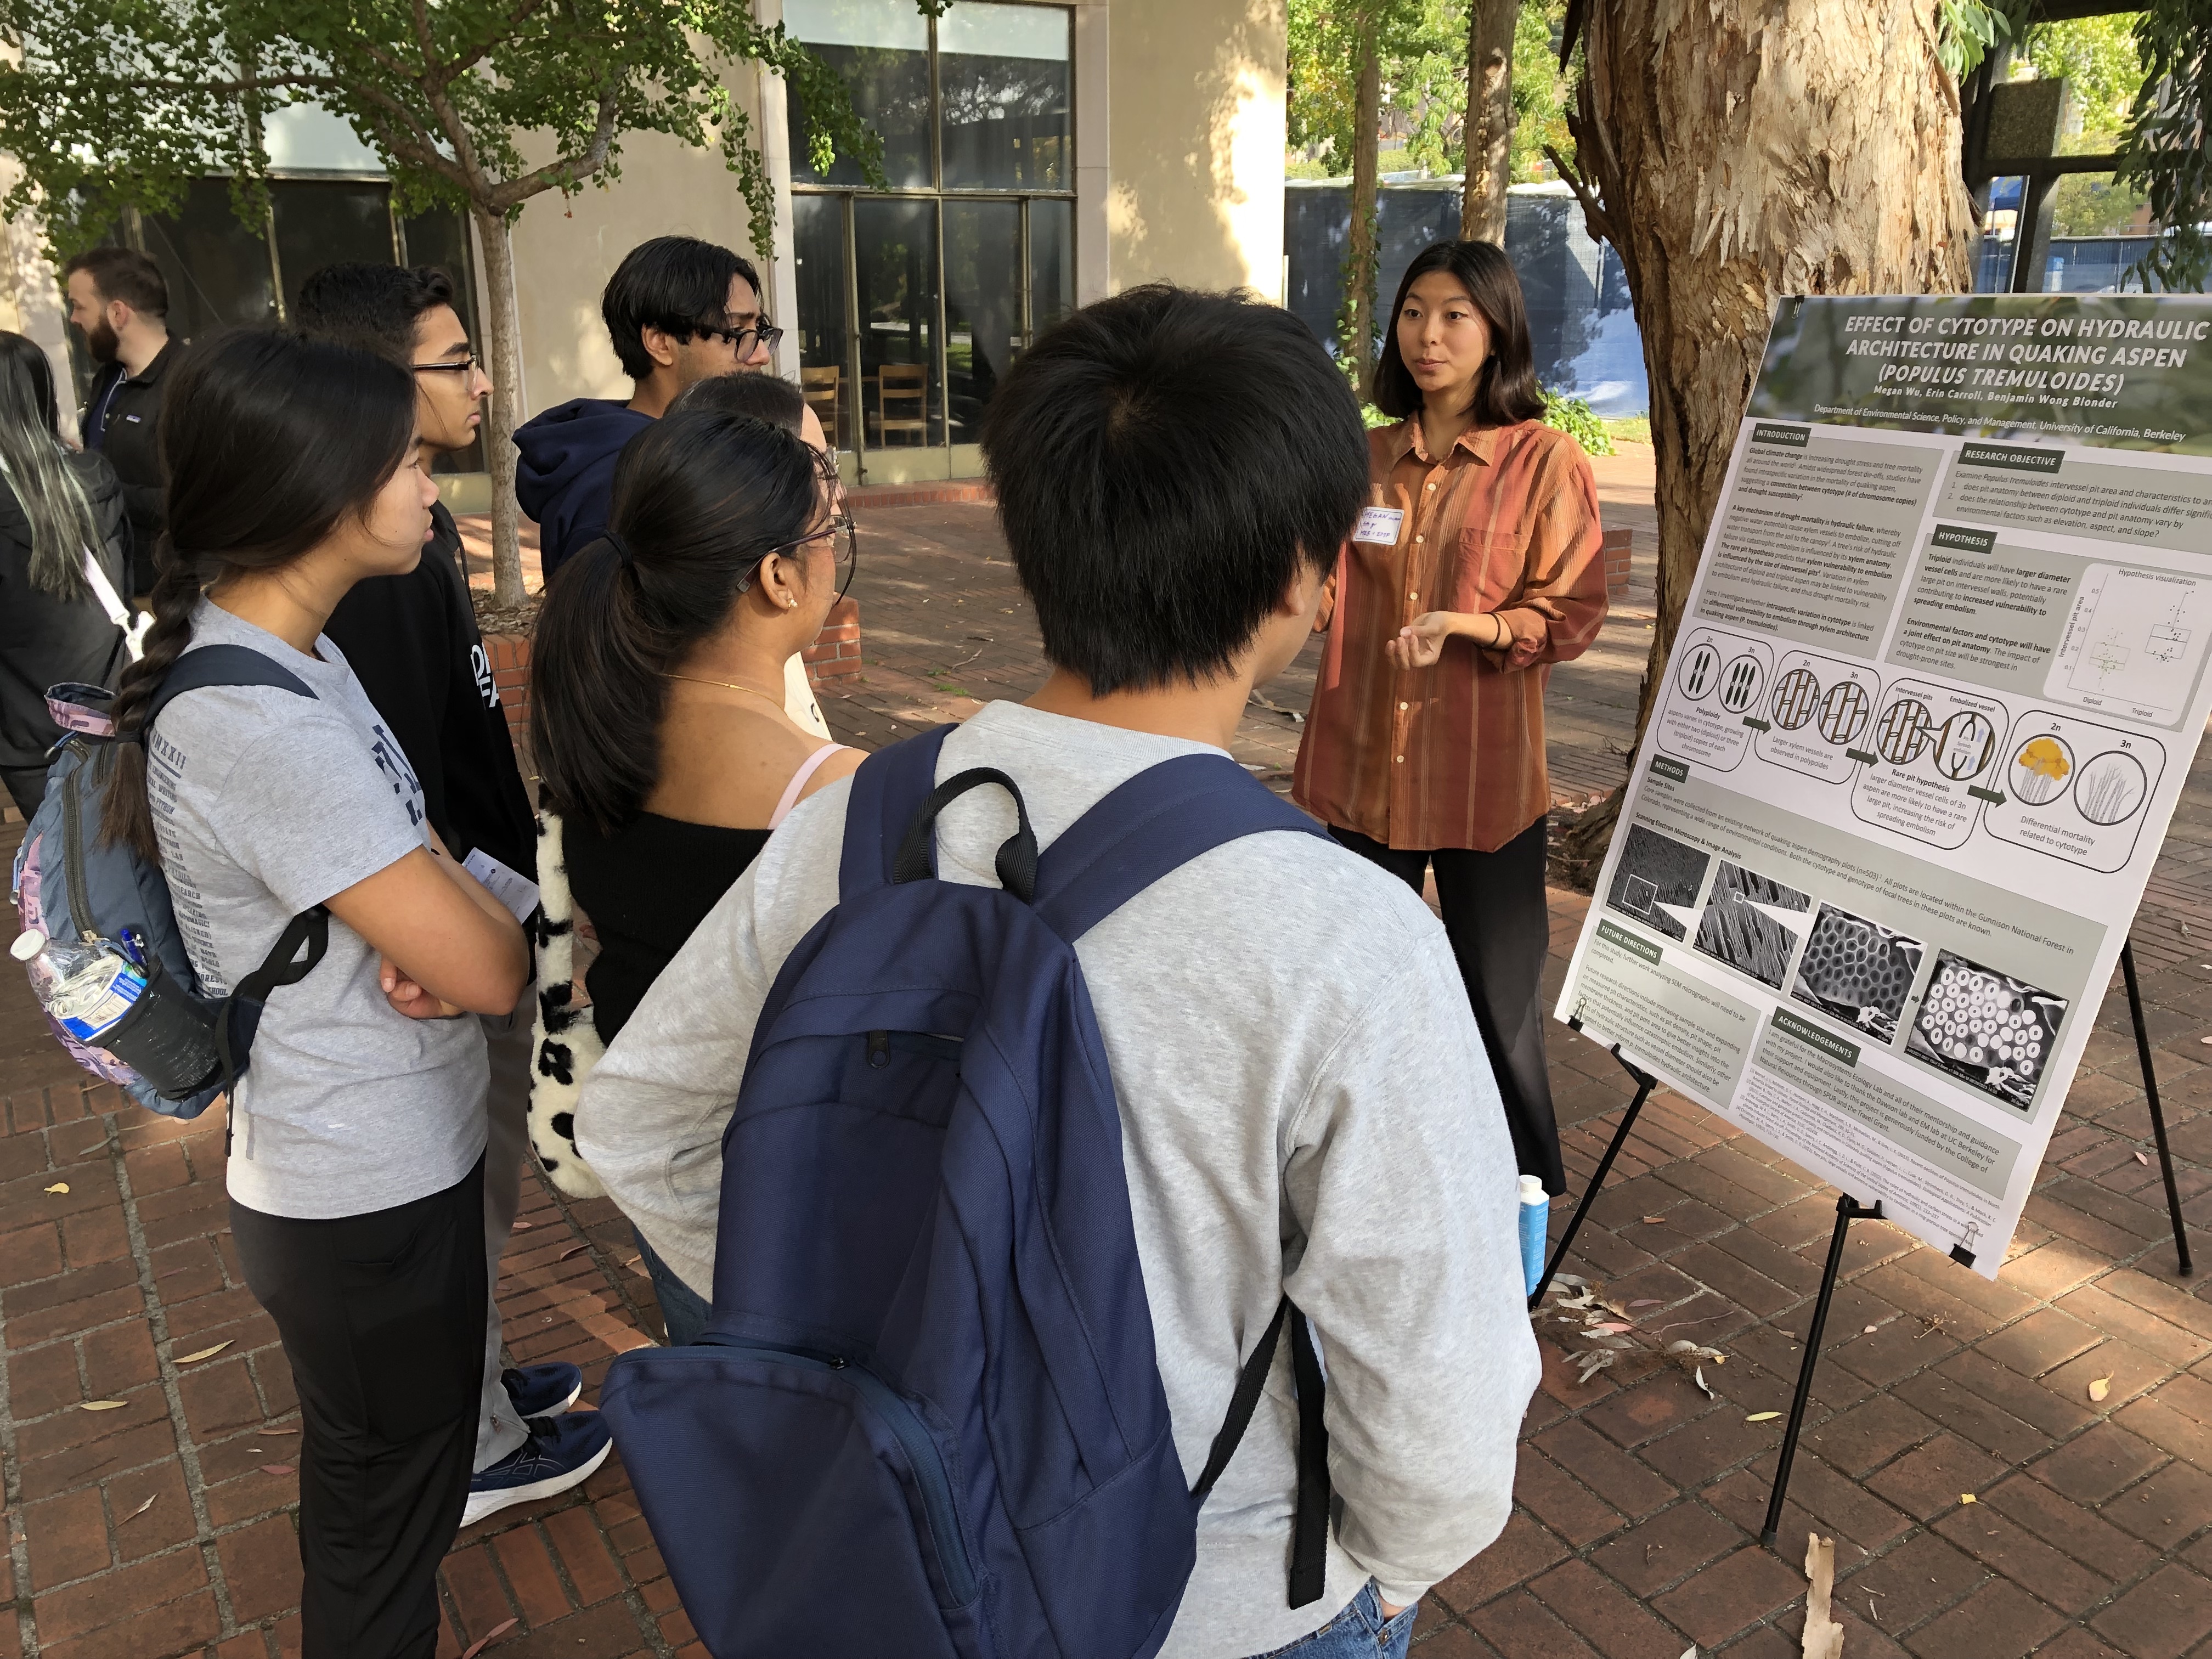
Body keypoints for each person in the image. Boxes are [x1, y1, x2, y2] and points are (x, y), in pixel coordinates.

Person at [579, 285, 1540, 1659]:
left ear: (1030, 550)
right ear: (1302, 580)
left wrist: (855, 1356)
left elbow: (643, 1123)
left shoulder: (857, 822)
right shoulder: (1346, 931)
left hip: (924, 1555)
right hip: (1228, 1602)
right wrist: (1388, 1572)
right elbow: (1438, 1385)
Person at [99, 328, 536, 1655]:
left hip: (383, 1161)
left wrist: (445, 918)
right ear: (316, 488)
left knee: (383, 1496)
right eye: (405, 461)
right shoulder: (258, 718)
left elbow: (434, 888)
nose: (430, 489)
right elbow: (487, 964)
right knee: (386, 1520)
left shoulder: (290, 653)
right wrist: (465, 938)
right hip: (364, 1188)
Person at [293, 262, 612, 1527]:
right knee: (461, 1194)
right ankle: (469, 1440)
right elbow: (390, 797)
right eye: (455, 361)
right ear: (375, 386)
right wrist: (484, 932)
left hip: (488, 897)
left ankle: (476, 1388)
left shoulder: (408, 536)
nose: (482, 386)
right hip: (451, 932)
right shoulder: (368, 566)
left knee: (486, 1183)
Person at [528, 404, 857, 1343]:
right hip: (797, 1202)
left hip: (672, 1186)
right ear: (777, 573)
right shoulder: (831, 790)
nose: (837, 550)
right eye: (829, 528)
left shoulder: (602, 732)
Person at [1293, 239, 1606, 1199]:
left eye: (1454, 315)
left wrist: (1473, 624)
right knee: (1356, 1002)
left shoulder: (1543, 462)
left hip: (1483, 787)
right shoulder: (1366, 456)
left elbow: (1574, 607)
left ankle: (1522, 1204)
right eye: (1414, 311)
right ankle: (1371, 1190)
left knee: (1499, 1004)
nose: (1428, 335)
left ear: (1497, 329)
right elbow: (1323, 576)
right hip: (1359, 772)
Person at [514, 236, 776, 580]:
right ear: (660, 342)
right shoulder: (617, 486)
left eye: (760, 330)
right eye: (736, 332)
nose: (761, 355)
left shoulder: (689, 452)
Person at [0, 331, 132, 816]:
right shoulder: (95, 476)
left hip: (29, 741)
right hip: (113, 716)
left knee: (66, 878)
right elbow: (123, 589)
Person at [64, 247, 180, 595]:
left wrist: (94, 488)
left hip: (172, 595)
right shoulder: (107, 379)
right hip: (114, 587)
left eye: (80, 306)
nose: (73, 318)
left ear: (118, 313)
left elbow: (194, 501)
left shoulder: (191, 384)